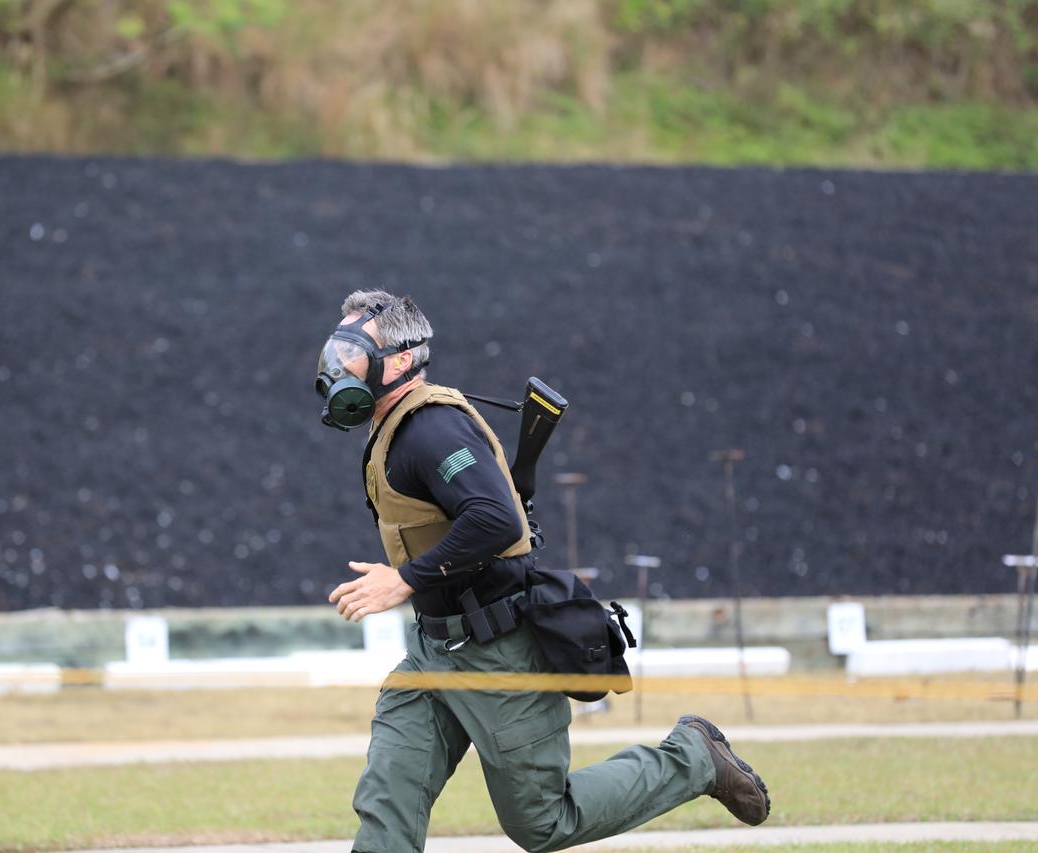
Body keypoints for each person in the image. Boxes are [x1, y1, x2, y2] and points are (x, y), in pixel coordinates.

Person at [317, 290, 770, 853]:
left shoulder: (432, 430)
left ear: (402, 360)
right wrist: (415, 570)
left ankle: (693, 759)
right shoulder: (395, 429)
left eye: (353, 348)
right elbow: (458, 523)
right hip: (435, 652)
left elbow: (496, 520)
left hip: (498, 652)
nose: (338, 363)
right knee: (388, 799)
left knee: (542, 822)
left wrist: (404, 578)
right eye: (339, 347)